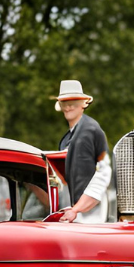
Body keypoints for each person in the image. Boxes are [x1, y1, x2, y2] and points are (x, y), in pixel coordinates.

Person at [52, 80, 111, 223]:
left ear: (83, 104)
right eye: (65, 102)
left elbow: (104, 172)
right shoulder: (66, 139)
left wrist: (76, 209)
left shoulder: (91, 130)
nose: (69, 106)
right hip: (72, 218)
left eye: (74, 101)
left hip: (91, 220)